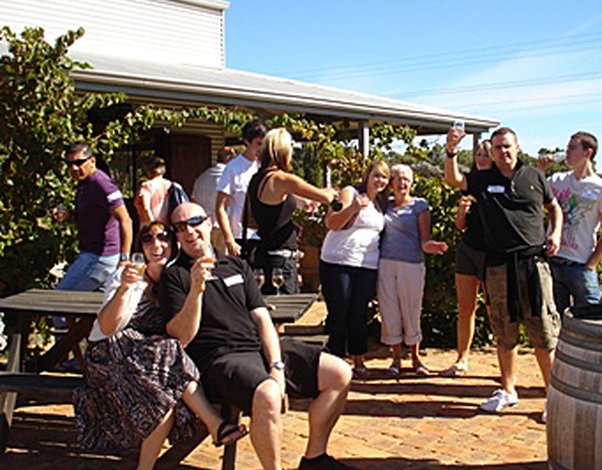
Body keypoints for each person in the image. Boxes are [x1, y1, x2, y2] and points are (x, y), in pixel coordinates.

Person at [161, 202, 354, 470]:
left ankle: (314, 458)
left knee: (339, 373)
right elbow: (181, 337)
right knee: (268, 393)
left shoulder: (235, 265)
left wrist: (276, 365)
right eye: (180, 227)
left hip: (257, 349)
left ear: (208, 223)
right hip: (221, 359)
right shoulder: (175, 275)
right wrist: (196, 290)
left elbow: (262, 318)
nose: (189, 231)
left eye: (194, 222)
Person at [73, 222, 247, 470]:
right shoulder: (128, 275)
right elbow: (107, 327)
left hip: (151, 364)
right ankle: (214, 423)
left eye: (163, 237)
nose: (156, 245)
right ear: (141, 247)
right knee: (168, 353)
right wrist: (123, 288)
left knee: (165, 396)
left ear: (173, 243)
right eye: (148, 239)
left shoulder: (177, 277)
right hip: (108, 357)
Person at [448, 127, 563, 417]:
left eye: (507, 146)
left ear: (517, 146)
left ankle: (553, 399)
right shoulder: (483, 179)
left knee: (544, 333)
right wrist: (451, 150)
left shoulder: (534, 176)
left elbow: (554, 207)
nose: (503, 152)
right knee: (504, 331)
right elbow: (454, 179)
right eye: (497, 147)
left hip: (534, 265)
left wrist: (555, 233)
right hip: (498, 267)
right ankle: (509, 391)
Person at [319, 161, 390, 378]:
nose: (380, 180)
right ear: (367, 176)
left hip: (367, 265)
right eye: (376, 175)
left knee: (359, 313)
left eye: (384, 177)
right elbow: (331, 223)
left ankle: (359, 359)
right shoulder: (350, 193)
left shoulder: (381, 203)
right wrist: (352, 209)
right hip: (338, 262)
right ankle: (335, 363)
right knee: (339, 311)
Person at [377, 164, 447, 376]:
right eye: (398, 178)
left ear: (412, 182)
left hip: (412, 265)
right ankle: (396, 360)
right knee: (389, 311)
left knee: (412, 311)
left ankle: (416, 359)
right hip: (385, 264)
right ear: (391, 183)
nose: (402, 183)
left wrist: (431, 246)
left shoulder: (419, 205)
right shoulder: (383, 205)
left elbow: (424, 239)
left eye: (406, 179)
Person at [247, 128, 337, 294]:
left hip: (264, 256)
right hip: (280, 262)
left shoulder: (258, 178)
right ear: (284, 151)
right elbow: (325, 196)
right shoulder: (282, 179)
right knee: (286, 307)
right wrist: (332, 192)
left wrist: (304, 202)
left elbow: (272, 206)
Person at [536, 132, 602, 315]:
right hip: (554, 261)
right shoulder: (557, 180)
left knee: (590, 318)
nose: (567, 153)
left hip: (580, 265)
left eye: (572, 148)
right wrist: (540, 170)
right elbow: (532, 195)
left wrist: (591, 264)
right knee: (553, 318)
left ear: (588, 152)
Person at [442, 138, 493, 377]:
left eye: (486, 155)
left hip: (492, 254)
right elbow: (460, 226)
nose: (482, 159)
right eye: (479, 154)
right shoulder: (470, 182)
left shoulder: (502, 182)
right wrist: (462, 213)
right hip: (468, 251)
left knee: (494, 310)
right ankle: (462, 359)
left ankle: (504, 358)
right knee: (465, 308)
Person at [53, 142, 133, 293]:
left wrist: (125, 258)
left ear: (92, 161)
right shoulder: (84, 183)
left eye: (79, 162)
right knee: (97, 306)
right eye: (70, 164)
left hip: (99, 258)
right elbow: (88, 220)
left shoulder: (101, 183)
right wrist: (68, 217)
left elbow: (126, 220)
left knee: (59, 299)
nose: (74, 168)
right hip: (93, 254)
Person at [216, 120, 268, 256]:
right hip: (241, 237)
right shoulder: (233, 168)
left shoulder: (266, 167)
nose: (261, 148)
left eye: (264, 144)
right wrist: (229, 240)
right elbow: (220, 207)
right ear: (247, 142)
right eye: (258, 144)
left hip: (265, 236)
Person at [192, 146, 237, 252]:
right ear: (230, 159)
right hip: (223, 226)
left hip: (204, 224)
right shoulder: (228, 177)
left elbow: (193, 199)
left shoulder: (202, 177)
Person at [135, 155, 172, 226]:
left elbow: (145, 207)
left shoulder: (146, 186)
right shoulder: (170, 185)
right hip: (168, 224)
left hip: (150, 224)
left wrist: (152, 224)